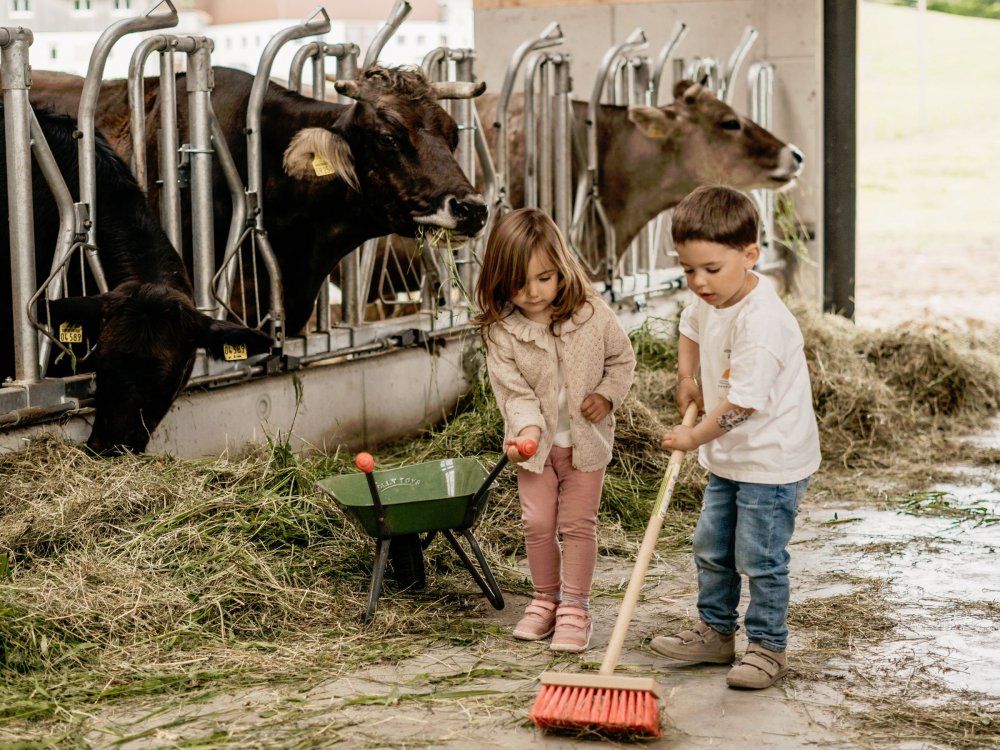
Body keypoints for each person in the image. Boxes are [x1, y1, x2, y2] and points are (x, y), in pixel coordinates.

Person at [652, 186, 820, 689]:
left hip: (771, 461)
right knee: (711, 547)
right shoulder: (711, 297)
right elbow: (690, 327)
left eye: (710, 269)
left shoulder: (762, 323)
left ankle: (767, 646)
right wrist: (687, 378)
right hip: (729, 456)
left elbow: (742, 405)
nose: (698, 282)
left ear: (750, 255)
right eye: (688, 270)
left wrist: (692, 437)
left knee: (759, 557)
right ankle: (716, 632)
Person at [474, 207, 636, 653]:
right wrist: (526, 431)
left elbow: (622, 360)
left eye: (544, 278)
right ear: (499, 279)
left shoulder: (592, 314)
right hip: (535, 449)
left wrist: (606, 395)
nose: (532, 292)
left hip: (587, 445)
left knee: (578, 524)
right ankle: (546, 599)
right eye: (519, 283)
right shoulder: (503, 333)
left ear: (561, 268)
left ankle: (575, 607)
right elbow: (514, 392)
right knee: (538, 523)